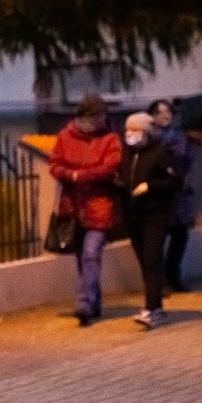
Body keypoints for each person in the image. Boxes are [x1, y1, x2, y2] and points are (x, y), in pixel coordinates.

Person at [49, 94, 122, 326]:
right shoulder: (65, 136)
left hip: (100, 206)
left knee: (91, 254)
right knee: (83, 258)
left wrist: (80, 175)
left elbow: (110, 167)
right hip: (72, 208)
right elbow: (55, 165)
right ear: (83, 116)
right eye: (96, 116)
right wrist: (71, 175)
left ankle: (85, 303)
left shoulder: (110, 139)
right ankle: (94, 302)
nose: (100, 121)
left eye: (102, 116)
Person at [119, 111, 184, 329]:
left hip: (156, 216)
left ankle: (153, 308)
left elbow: (176, 182)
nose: (130, 134)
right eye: (128, 130)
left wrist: (150, 187)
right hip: (134, 217)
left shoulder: (160, 154)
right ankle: (155, 306)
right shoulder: (126, 154)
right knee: (145, 263)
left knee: (152, 259)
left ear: (146, 132)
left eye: (135, 130)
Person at [150, 99, 194, 292]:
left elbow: (189, 160)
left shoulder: (180, 136)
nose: (164, 115)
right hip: (159, 194)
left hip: (179, 194)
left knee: (181, 235)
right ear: (152, 116)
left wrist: (187, 178)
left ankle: (174, 275)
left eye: (167, 111)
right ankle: (157, 281)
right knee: (157, 239)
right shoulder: (149, 137)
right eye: (159, 112)